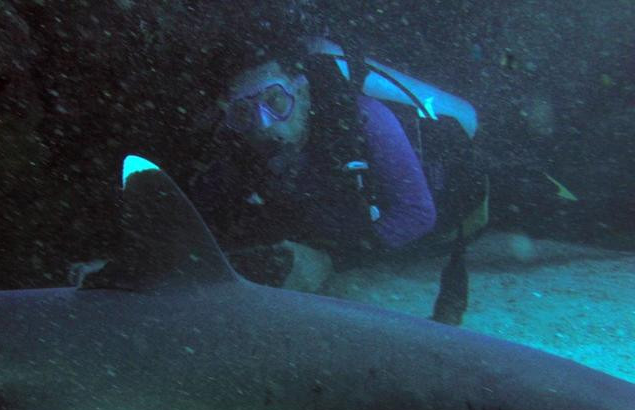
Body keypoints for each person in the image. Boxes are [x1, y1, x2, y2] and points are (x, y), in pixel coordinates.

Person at [189, 37, 480, 284]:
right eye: (243, 113)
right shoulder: (237, 152)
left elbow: (417, 213)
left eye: (275, 101)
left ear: (301, 93)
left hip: (455, 198)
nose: (264, 124)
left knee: (515, 238)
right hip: (345, 226)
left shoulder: (364, 119)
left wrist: (331, 262)